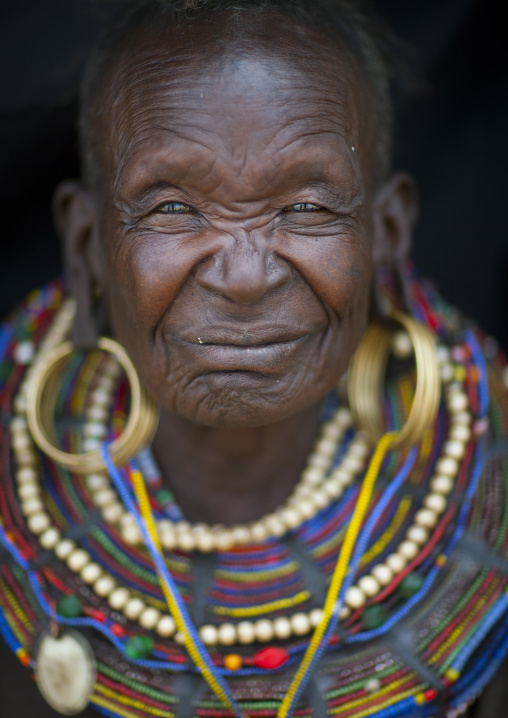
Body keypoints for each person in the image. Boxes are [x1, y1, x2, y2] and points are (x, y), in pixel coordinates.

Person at [0, 1, 507, 716]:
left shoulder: (492, 478)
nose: (244, 278)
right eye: (173, 208)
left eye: (305, 208)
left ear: (386, 233)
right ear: (87, 246)